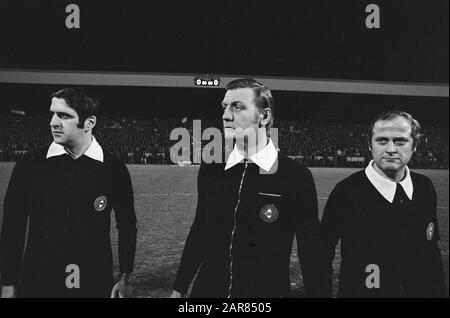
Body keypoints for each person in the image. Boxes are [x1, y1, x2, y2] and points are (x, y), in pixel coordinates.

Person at [170, 78, 327, 298]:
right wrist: (179, 288)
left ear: (264, 116)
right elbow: (200, 231)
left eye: (237, 107)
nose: (225, 116)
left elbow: (310, 251)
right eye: (225, 107)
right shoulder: (212, 167)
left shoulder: (295, 176)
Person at [0, 87, 137, 298]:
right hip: (38, 280)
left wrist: (125, 276)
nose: (53, 122)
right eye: (53, 114)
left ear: (89, 123)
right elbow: (13, 225)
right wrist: (8, 282)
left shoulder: (113, 169)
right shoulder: (29, 165)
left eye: (64, 115)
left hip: (94, 280)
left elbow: (127, 225)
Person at [321, 110, 446, 297]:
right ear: (369, 145)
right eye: (382, 140)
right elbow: (322, 252)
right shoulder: (346, 191)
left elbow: (431, 251)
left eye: (400, 141)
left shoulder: (424, 187)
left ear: (415, 145)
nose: (391, 149)